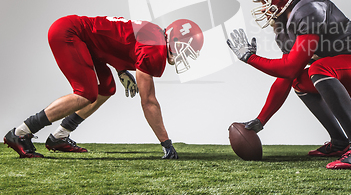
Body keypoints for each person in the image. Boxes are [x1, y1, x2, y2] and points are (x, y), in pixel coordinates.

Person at [227, 0, 351, 170]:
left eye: (266, 0)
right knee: (299, 81)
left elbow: (289, 67)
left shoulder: (308, 9)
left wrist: (250, 58)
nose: (263, 8)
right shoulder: (285, 30)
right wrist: (260, 120)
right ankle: (339, 142)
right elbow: (288, 75)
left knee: (318, 68)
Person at [3, 15, 203, 159]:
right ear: (175, 40)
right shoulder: (155, 49)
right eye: (185, 49)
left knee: (106, 88)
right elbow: (148, 101)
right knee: (86, 93)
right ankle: (20, 133)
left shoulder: (155, 35)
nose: (183, 56)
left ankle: (59, 136)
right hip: (70, 33)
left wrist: (121, 69)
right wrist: (166, 142)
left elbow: (115, 40)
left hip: (83, 39)